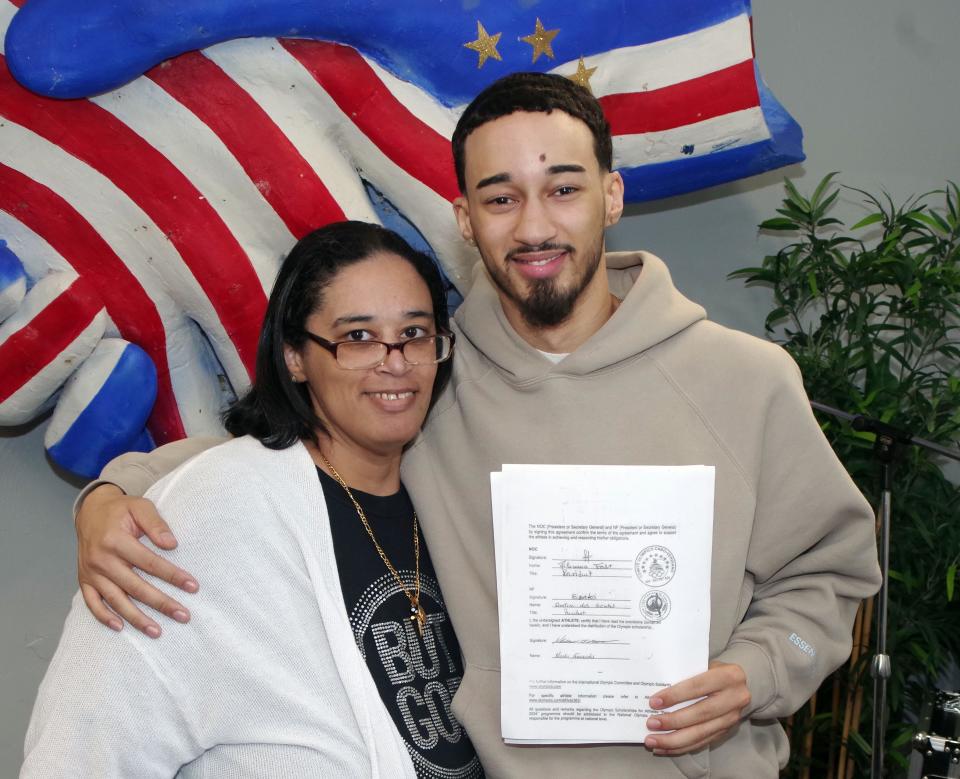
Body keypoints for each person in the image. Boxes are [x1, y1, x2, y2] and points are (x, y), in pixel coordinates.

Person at [70, 73, 881, 778]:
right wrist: (114, 492)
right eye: (501, 197)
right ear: (465, 218)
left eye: (563, 187)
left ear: (613, 194)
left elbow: (831, 568)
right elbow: (284, 443)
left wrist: (760, 669)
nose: (533, 227)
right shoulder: (429, 379)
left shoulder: (746, 379)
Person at [23, 221, 483, 778]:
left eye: (414, 332)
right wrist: (104, 495)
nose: (395, 360)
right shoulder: (214, 509)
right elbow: (81, 748)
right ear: (294, 356)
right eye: (357, 337)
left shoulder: (448, 491)